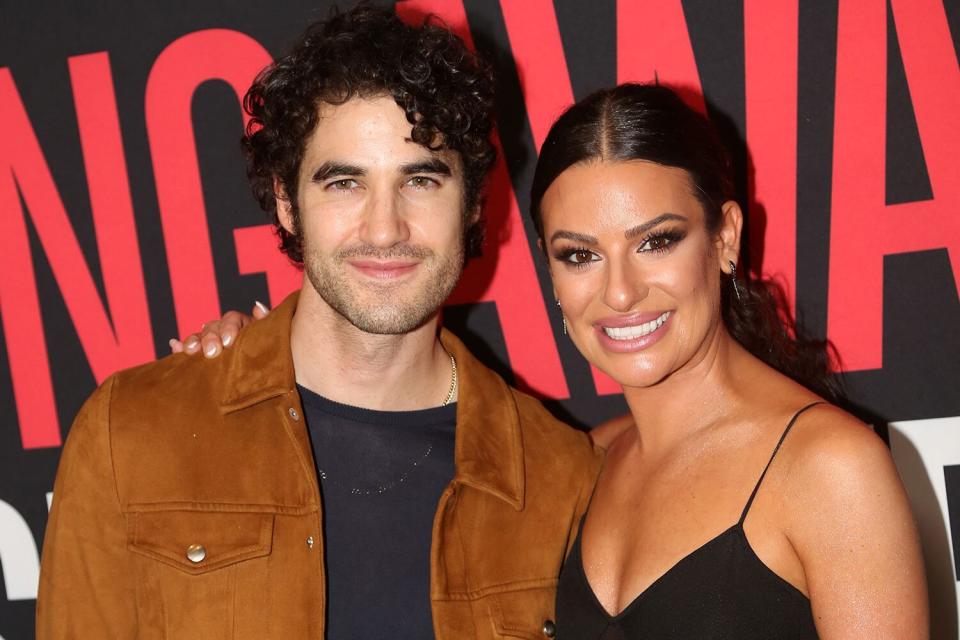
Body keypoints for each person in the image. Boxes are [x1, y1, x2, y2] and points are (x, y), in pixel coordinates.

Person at [36, 7, 600, 639]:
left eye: (420, 180)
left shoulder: (556, 476)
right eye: (344, 184)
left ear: (471, 207)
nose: (385, 229)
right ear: (286, 201)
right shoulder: (130, 434)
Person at [532, 84, 928, 638]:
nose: (619, 293)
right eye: (580, 255)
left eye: (656, 242)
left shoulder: (830, 469)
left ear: (725, 239)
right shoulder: (588, 462)